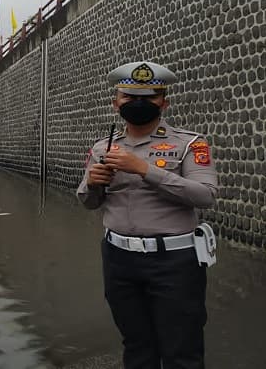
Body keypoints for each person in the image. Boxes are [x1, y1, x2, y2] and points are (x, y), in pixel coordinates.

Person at [77, 62, 218, 369]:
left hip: (175, 261)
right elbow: (88, 202)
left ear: (163, 103)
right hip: (119, 259)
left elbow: (205, 195)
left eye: (149, 97)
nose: (137, 104)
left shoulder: (189, 144)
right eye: (128, 97)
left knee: (182, 348)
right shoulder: (103, 148)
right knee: (137, 345)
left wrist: (143, 169)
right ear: (116, 103)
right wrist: (93, 183)